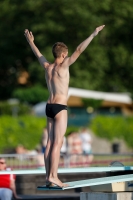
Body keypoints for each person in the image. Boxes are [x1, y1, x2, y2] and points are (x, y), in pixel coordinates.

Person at [24, 24, 105, 187]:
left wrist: (30, 41)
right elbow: (79, 50)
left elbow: (38, 55)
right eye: (66, 54)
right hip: (60, 107)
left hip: (49, 107)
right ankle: (54, 176)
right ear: (63, 54)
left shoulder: (47, 67)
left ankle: (48, 178)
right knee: (58, 143)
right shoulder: (64, 65)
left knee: (49, 143)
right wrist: (93, 34)